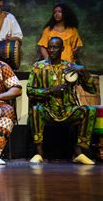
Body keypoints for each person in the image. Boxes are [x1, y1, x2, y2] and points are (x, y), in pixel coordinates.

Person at [27, 37, 96, 165]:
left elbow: (92, 89)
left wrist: (83, 71)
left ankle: (79, 152)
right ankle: (39, 153)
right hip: (47, 110)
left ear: (62, 49)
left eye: (55, 47)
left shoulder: (70, 67)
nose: (52, 50)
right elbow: (30, 91)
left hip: (68, 110)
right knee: (36, 110)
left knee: (90, 110)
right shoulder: (38, 67)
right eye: (50, 47)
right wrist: (50, 90)